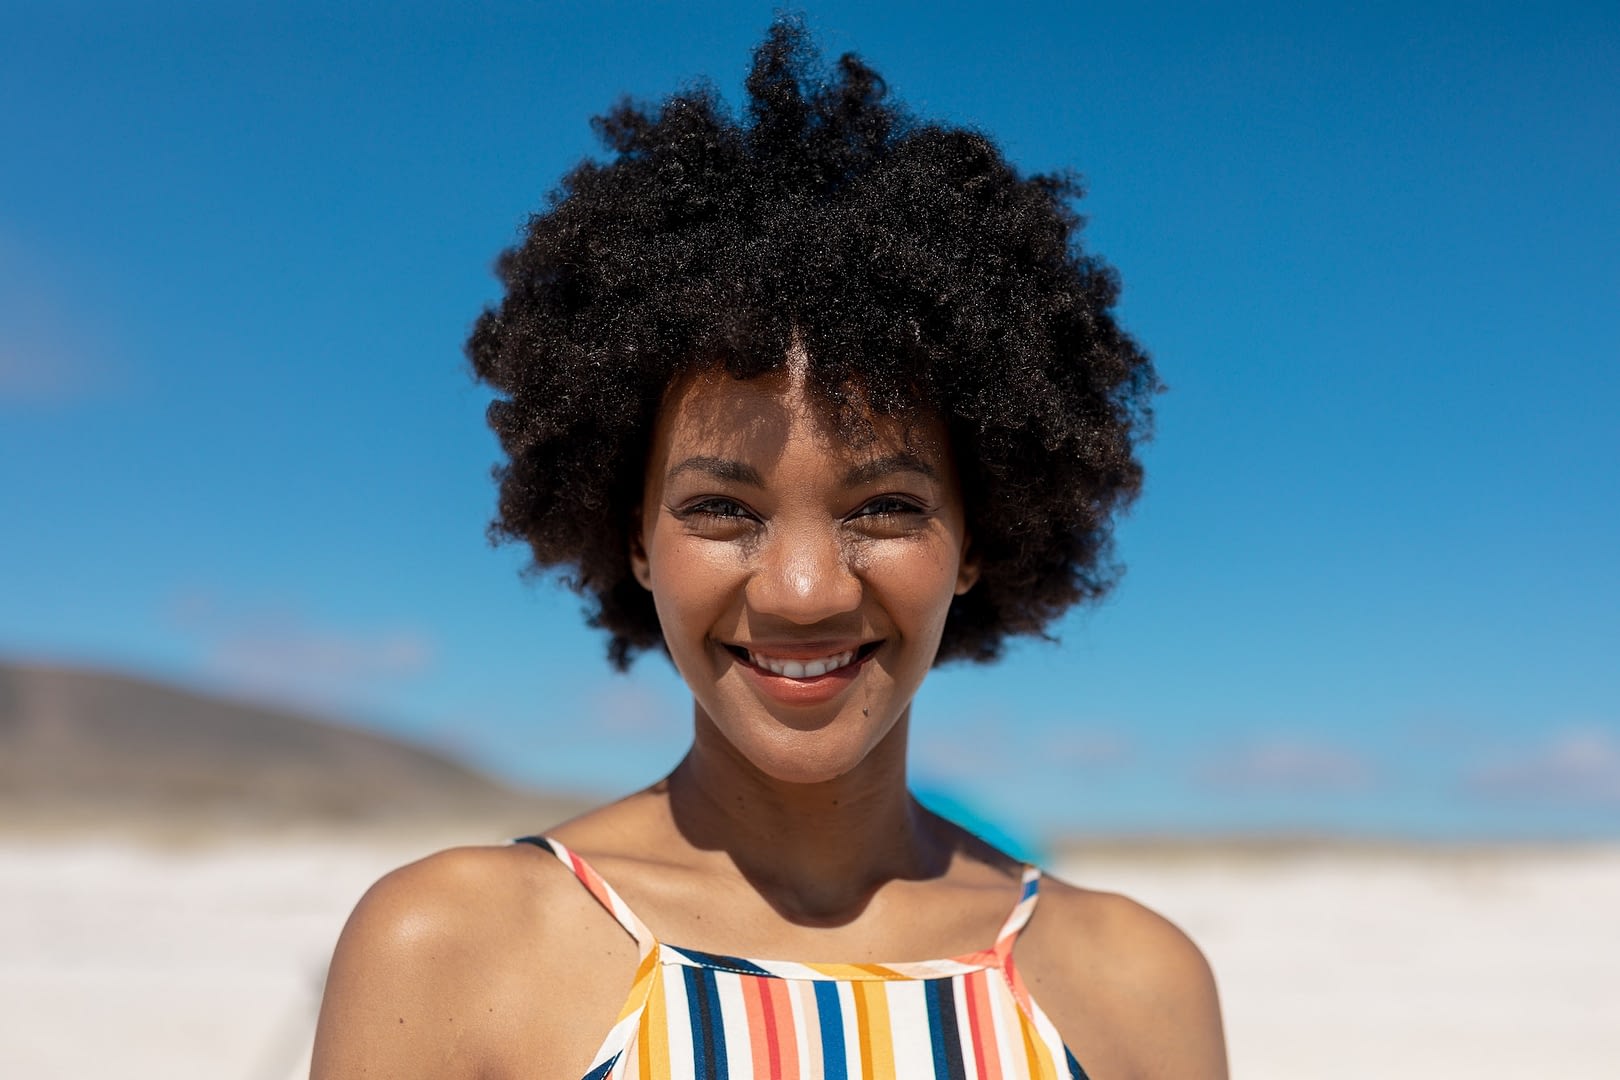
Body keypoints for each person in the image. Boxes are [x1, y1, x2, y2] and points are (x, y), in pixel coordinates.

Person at [312, 19, 1227, 1080]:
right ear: (634, 539)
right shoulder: (451, 951)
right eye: (722, 510)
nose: (802, 590)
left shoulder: (1139, 986)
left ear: (979, 539)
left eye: (883, 506)